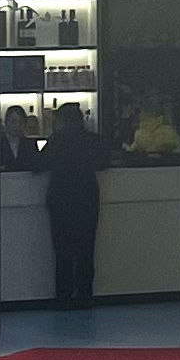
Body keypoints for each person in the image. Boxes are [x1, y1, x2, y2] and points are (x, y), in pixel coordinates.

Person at [41, 100, 112, 314]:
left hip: (61, 200)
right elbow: (104, 162)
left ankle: (63, 297)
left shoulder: (57, 141)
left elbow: (38, 164)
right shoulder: (92, 140)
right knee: (85, 251)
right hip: (86, 200)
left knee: (62, 251)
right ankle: (84, 296)